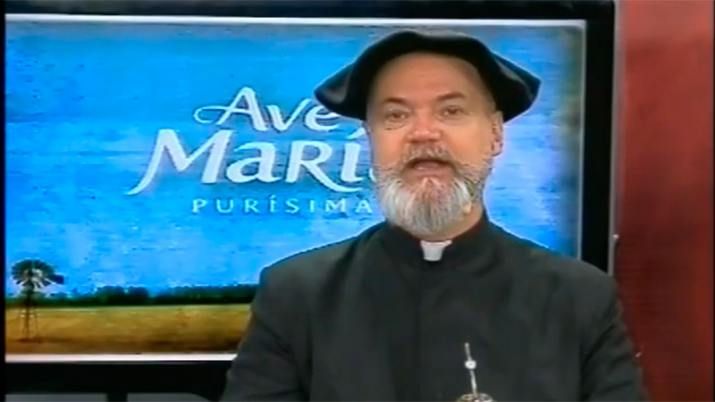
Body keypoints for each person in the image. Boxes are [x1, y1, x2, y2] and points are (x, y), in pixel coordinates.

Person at [220, 30, 647, 401]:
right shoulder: (296, 296)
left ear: (495, 134)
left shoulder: (579, 298)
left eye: (451, 111)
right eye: (396, 115)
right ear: (370, 138)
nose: (423, 133)